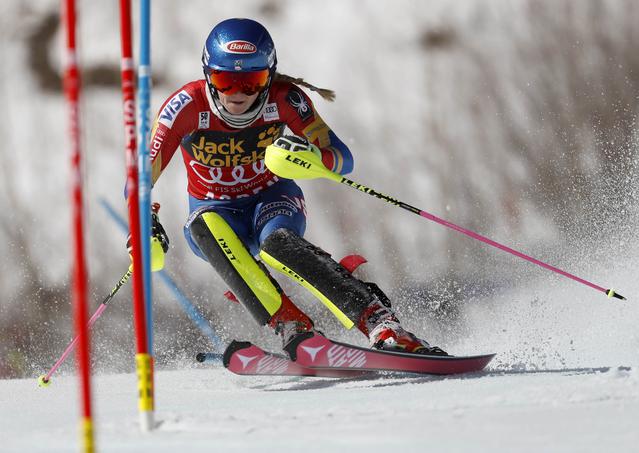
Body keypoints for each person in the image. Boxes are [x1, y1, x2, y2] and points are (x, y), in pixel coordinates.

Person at [144, 18, 445, 356]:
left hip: (271, 199)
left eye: (252, 81)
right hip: (215, 213)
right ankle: (291, 326)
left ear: (269, 76)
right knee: (201, 226)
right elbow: (140, 177)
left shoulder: (286, 99)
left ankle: (380, 323)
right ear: (208, 75)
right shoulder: (184, 107)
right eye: (225, 81)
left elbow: (342, 158)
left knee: (276, 243)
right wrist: (142, 226)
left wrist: (313, 155)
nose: (238, 93)